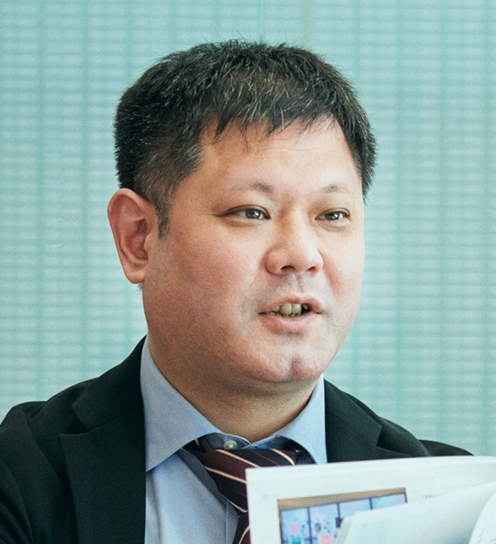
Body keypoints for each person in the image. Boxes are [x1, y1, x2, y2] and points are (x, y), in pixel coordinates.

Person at [0, 40, 468, 544]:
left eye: (332, 215)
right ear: (139, 237)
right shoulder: (21, 478)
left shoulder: (451, 504)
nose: (301, 255)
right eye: (252, 212)